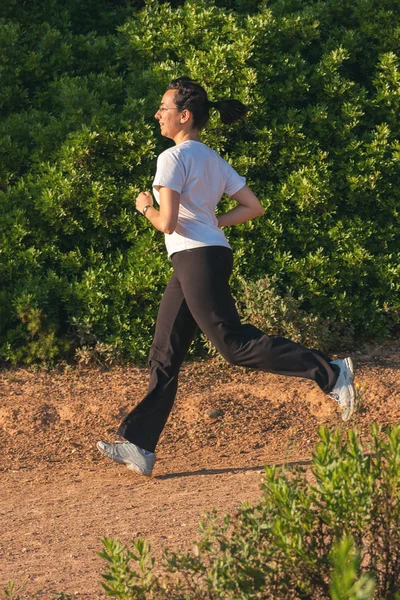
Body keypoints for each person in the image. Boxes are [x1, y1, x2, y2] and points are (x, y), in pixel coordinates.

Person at [97, 76, 355, 477]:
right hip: (201, 254)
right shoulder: (212, 159)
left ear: (184, 116)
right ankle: (139, 445)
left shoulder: (171, 158)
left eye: (163, 109)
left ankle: (331, 372)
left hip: (195, 257)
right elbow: (253, 206)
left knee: (233, 345)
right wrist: (212, 222)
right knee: (165, 352)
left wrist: (144, 206)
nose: (157, 115)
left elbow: (166, 223)